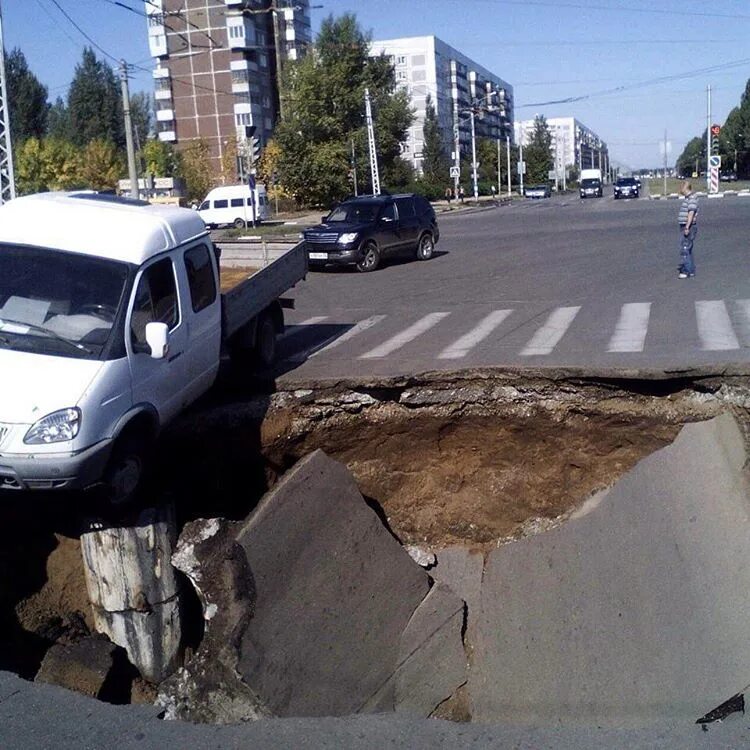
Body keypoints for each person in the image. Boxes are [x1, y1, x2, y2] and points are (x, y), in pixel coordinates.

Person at [677, 180, 699, 279]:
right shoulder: (689, 198)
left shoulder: (692, 198)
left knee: (685, 249)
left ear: (686, 188)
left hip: (688, 226)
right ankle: (691, 270)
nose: (680, 190)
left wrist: (687, 227)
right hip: (687, 226)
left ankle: (686, 271)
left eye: (681, 188)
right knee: (688, 249)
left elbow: (691, 213)